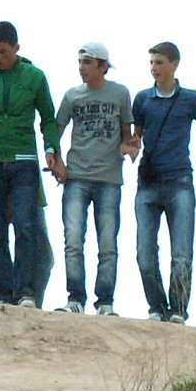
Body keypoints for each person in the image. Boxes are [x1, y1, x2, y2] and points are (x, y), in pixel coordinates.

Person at [0, 22, 59, 307]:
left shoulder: (35, 77)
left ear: (16, 48)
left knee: (25, 229)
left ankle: (25, 293)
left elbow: (48, 118)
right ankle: (3, 294)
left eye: (3, 51)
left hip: (24, 162)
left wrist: (50, 149)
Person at [129, 41, 196, 324]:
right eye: (152, 62)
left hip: (179, 180)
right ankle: (157, 307)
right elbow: (136, 136)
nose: (154, 68)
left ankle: (178, 309)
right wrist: (130, 147)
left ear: (174, 64)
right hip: (148, 181)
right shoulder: (142, 99)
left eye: (159, 62)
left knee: (182, 253)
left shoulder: (191, 98)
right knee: (144, 253)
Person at [49, 42, 134, 315]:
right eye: (80, 62)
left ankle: (105, 303)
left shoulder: (120, 93)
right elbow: (55, 132)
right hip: (76, 177)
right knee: (73, 240)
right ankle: (75, 299)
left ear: (103, 66)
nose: (81, 68)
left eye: (87, 62)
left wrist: (129, 147)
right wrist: (57, 161)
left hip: (109, 178)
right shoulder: (72, 95)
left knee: (107, 244)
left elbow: (127, 133)